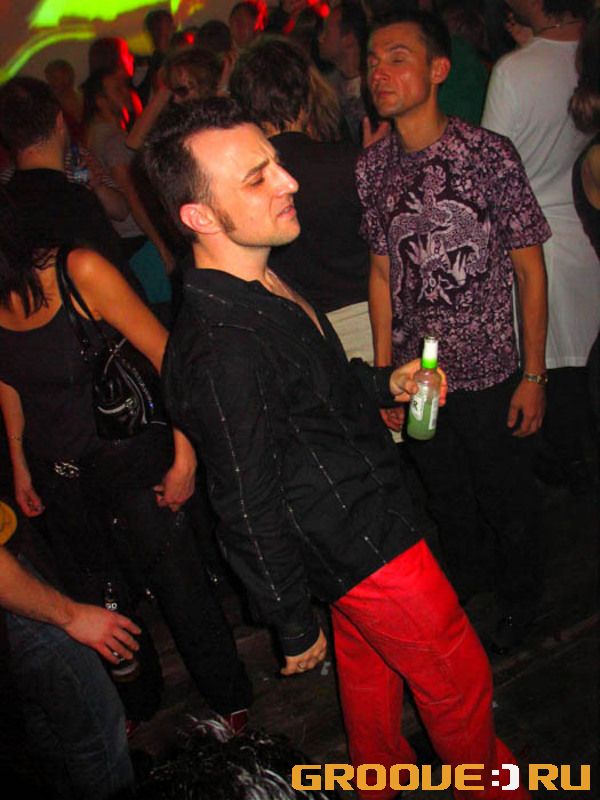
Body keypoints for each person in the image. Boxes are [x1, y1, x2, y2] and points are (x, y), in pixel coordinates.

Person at [142, 95, 530, 800]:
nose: (288, 181)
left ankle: (378, 782)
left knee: (371, 675)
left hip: (356, 510)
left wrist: (386, 381)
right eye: (257, 177)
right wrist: (290, 620)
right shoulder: (222, 348)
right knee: (459, 678)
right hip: (356, 538)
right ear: (199, 217)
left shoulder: (257, 276)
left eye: (275, 162)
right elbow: (245, 500)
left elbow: (314, 382)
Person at [0, 188, 252, 734]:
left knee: (181, 587)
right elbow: (9, 381)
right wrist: (18, 461)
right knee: (101, 595)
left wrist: (185, 456)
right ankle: (139, 703)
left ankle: (228, 695)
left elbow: (169, 358)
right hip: (59, 478)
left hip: (130, 462)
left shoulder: (78, 271)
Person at [357, 9, 550, 652]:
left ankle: (523, 602)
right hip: (419, 378)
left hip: (491, 369)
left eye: (397, 57)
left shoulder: (488, 154)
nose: (379, 72)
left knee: (506, 496)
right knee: (445, 493)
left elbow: (529, 268)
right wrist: (384, 376)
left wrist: (534, 374)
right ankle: (470, 584)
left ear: (439, 69)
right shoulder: (372, 168)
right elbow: (382, 274)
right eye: (373, 61)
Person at [482, 0, 599, 494]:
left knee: (553, 380)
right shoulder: (585, 51)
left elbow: (489, 170)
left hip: (535, 245)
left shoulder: (515, 71)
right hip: (587, 232)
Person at [230, 37, 371, 361]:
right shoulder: (349, 162)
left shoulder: (240, 185)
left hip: (294, 337)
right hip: (365, 324)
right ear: (306, 98)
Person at [0, 497, 136, 799]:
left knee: (46, 726)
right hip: (15, 602)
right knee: (97, 727)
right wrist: (72, 616)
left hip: (15, 568)